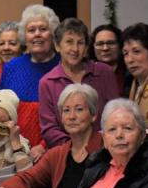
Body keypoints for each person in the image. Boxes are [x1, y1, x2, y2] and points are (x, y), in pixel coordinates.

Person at [0, 83, 104, 188]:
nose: (71, 116)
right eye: (66, 110)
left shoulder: (107, 148)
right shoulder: (57, 154)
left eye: (79, 109)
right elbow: (29, 178)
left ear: (93, 115)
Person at [39, 18, 121, 148]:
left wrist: (98, 144)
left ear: (87, 47)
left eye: (80, 43)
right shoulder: (47, 82)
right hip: (66, 151)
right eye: (69, 42)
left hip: (105, 148)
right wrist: (75, 148)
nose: (75, 49)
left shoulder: (104, 72)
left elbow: (117, 113)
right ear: (57, 46)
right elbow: (49, 129)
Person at [0, 4, 62, 158]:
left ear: (53, 33)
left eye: (43, 29)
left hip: (54, 151)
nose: (37, 34)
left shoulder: (64, 66)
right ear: (24, 36)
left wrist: (43, 146)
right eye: (31, 30)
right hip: (13, 152)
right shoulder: (12, 67)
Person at [88, 24, 126, 94]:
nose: (105, 48)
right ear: (93, 47)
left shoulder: (130, 75)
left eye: (111, 43)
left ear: (120, 46)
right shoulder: (87, 74)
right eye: (100, 44)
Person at [0, 21, 24, 87]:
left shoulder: (31, 72)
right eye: (1, 43)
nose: (6, 48)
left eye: (12, 43)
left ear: (23, 46)